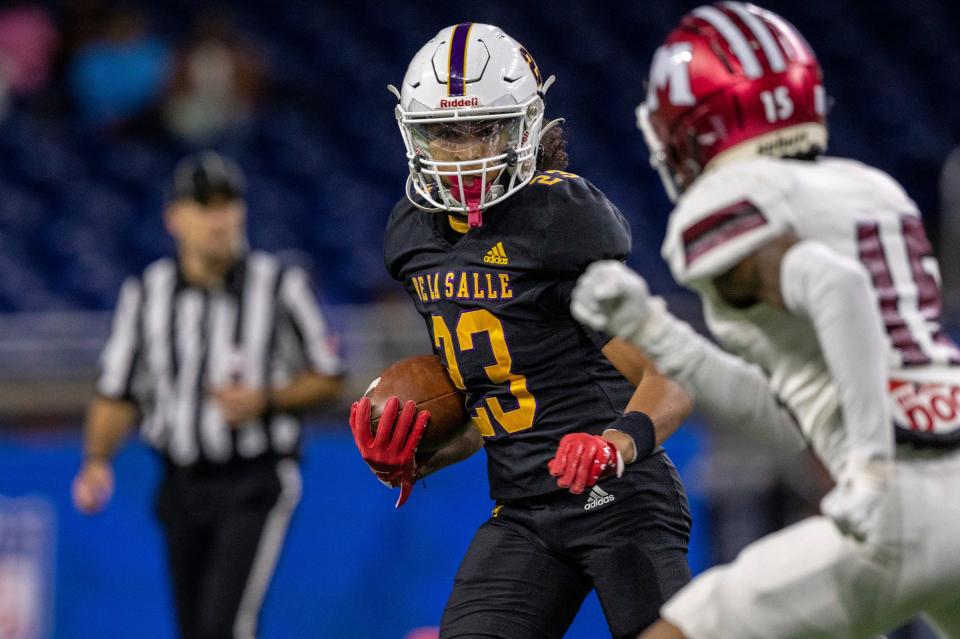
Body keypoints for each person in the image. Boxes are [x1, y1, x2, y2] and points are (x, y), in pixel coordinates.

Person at [570, 3, 960, 638]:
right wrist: (651, 330)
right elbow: (786, 416)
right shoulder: (872, 188)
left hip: (897, 501)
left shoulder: (726, 203)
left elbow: (838, 285)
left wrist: (868, 469)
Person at [349, 23, 694, 639]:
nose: (464, 152)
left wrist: (614, 444)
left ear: (527, 128)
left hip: (622, 500)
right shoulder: (412, 241)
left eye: (483, 128)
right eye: (445, 133)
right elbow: (495, 408)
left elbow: (672, 375)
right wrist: (416, 458)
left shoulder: (558, 224)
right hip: (525, 512)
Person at [72, 151, 344, 639]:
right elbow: (116, 390)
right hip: (181, 483)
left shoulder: (280, 285)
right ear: (175, 217)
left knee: (226, 626)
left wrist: (267, 399)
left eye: (227, 204)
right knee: (196, 627)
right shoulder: (146, 293)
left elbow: (330, 376)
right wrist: (97, 460)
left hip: (256, 479)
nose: (219, 219)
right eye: (205, 205)